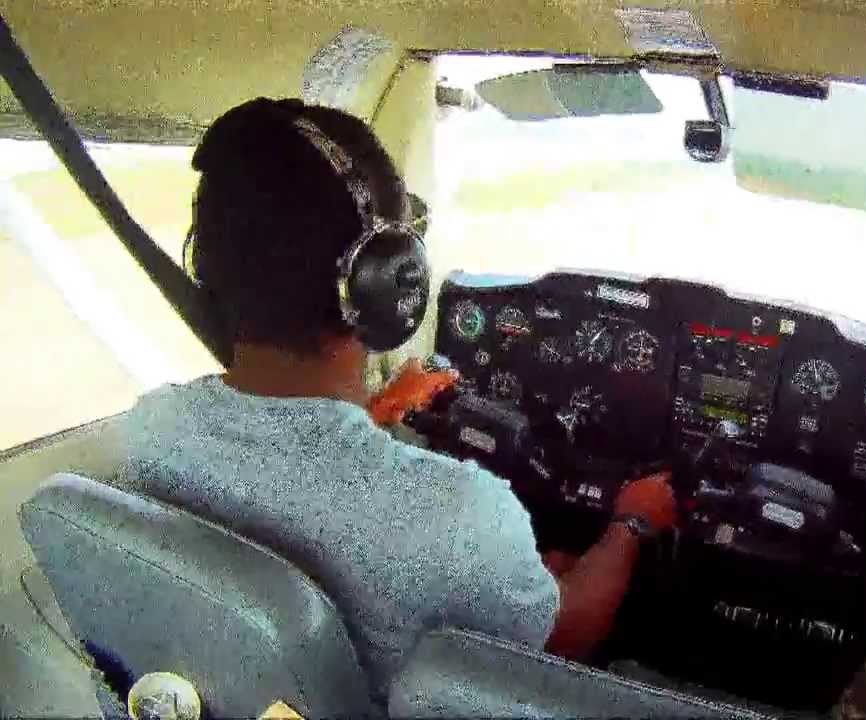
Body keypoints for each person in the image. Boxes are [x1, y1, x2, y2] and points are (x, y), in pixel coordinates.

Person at [121, 97, 676, 698]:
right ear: (385, 282)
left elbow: (284, 474)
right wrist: (632, 522)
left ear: (210, 266)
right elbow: (564, 636)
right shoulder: (459, 512)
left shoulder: (152, 430)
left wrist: (376, 414)